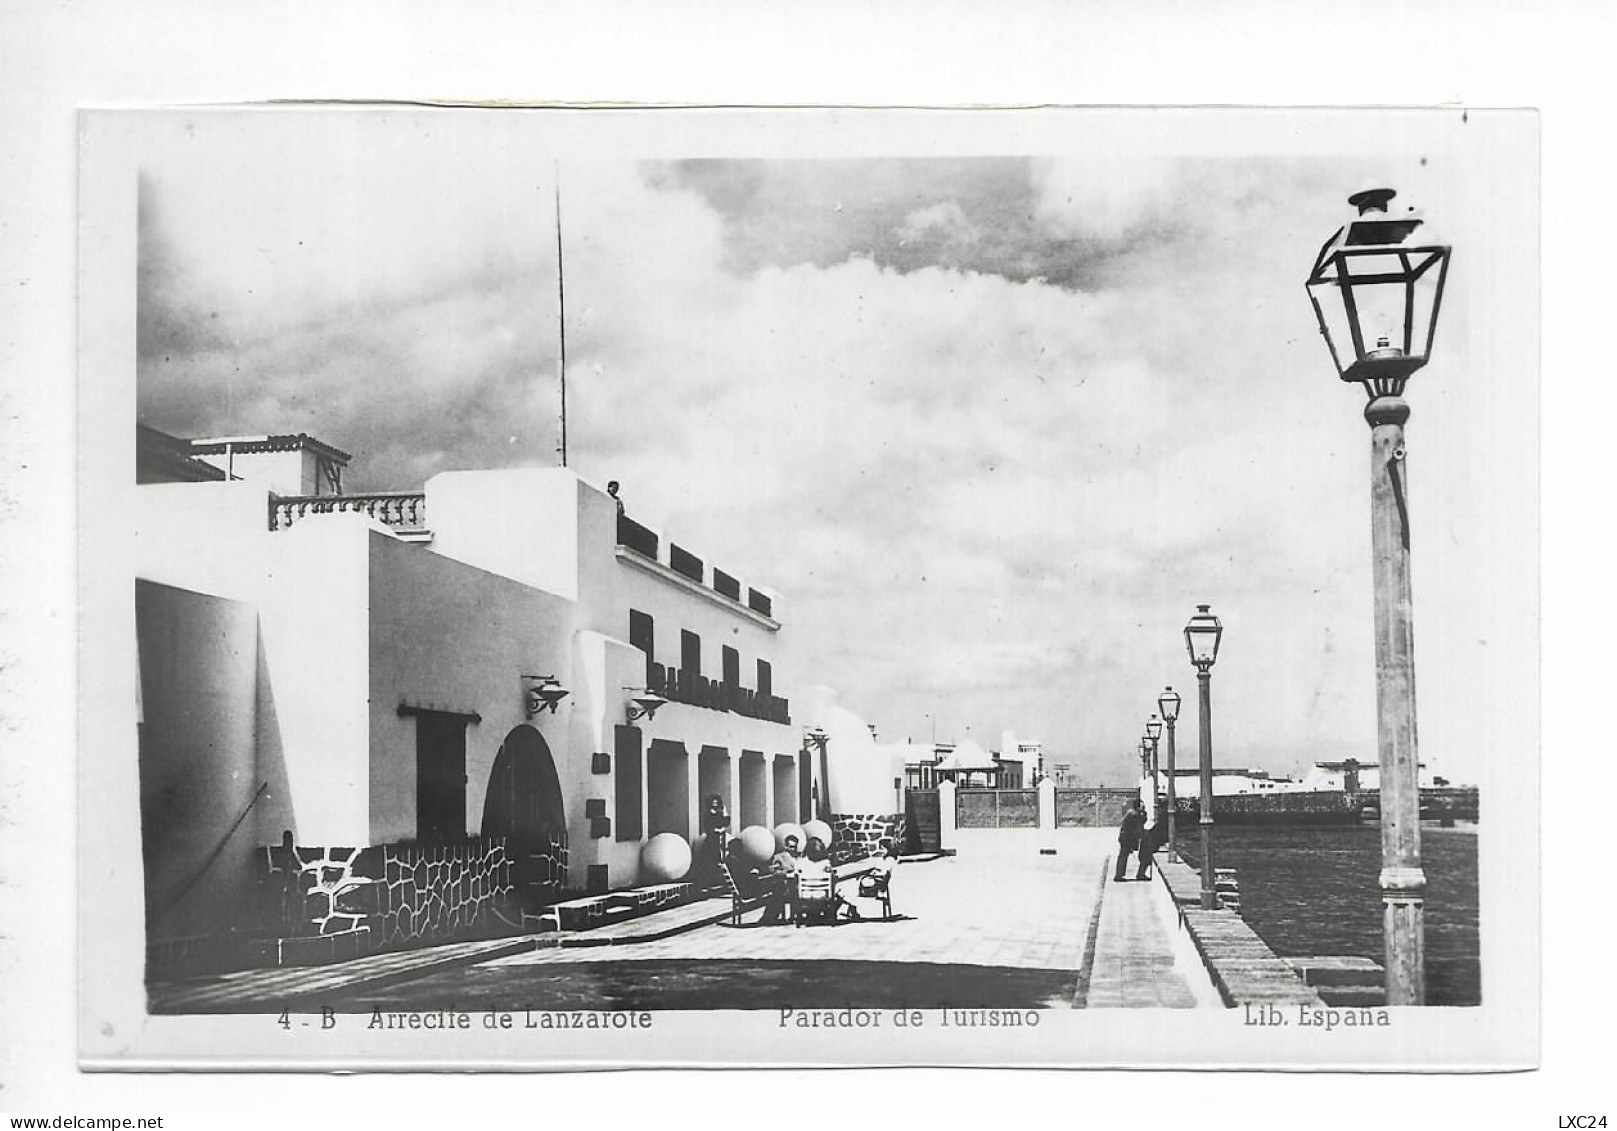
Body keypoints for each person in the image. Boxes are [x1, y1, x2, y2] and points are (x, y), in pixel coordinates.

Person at [765, 834, 802, 924]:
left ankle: (797, 915)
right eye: (791, 847)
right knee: (793, 891)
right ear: (786, 846)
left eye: (795, 847)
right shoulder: (779, 857)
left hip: (800, 885)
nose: (793, 849)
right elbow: (773, 871)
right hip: (785, 887)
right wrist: (786, 873)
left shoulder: (800, 857)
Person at [700, 793, 730, 890]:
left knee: (718, 860)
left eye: (716, 802)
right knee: (710, 860)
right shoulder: (707, 814)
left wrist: (725, 811)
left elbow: (725, 822)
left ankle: (715, 882)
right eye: (713, 802)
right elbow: (707, 827)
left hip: (718, 839)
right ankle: (708, 883)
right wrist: (715, 830)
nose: (715, 804)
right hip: (711, 839)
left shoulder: (719, 813)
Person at [1115, 798, 1144, 882]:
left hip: (1125, 837)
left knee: (1123, 856)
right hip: (1127, 838)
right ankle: (1119, 875)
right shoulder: (1133, 814)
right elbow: (1138, 827)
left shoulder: (1132, 813)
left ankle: (1119, 874)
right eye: (1142, 806)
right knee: (1123, 856)